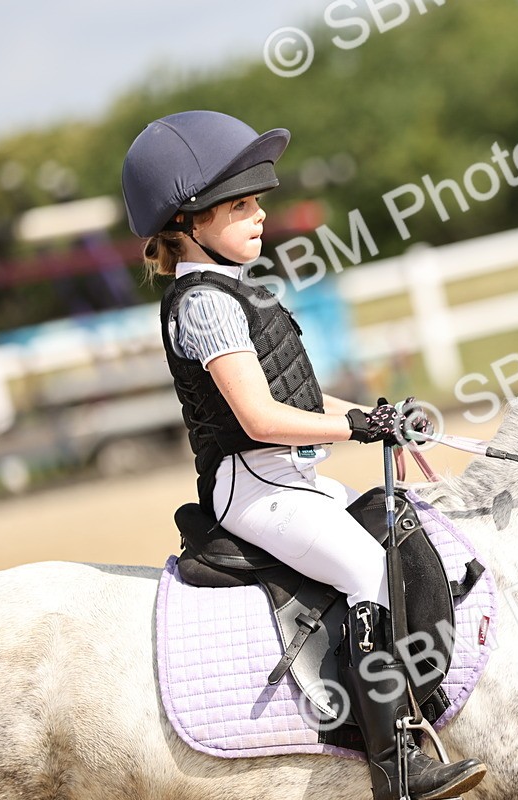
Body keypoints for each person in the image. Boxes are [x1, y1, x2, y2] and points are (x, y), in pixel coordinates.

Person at [121, 110, 485, 800]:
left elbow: (306, 400)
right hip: (254, 490)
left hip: (292, 479)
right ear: (188, 221)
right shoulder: (203, 304)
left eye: (257, 201)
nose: (260, 215)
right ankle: (395, 768)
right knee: (368, 571)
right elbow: (259, 418)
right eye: (240, 205)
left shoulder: (236, 289)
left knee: (416, 534)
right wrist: (357, 433)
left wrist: (377, 416)